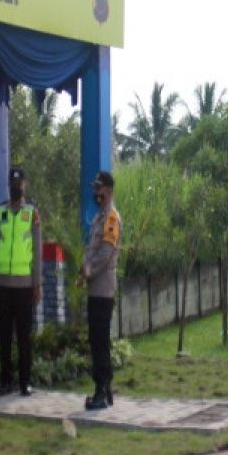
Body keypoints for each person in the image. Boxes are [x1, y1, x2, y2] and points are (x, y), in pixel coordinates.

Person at [0, 167, 42, 397]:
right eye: (12, 183)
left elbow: (37, 250)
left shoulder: (32, 213)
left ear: (25, 185)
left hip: (24, 286)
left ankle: (25, 381)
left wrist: (37, 283)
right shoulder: (0, 212)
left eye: (19, 183)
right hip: (4, 286)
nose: (16, 187)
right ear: (8, 185)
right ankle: (6, 381)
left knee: (24, 336)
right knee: (5, 335)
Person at [80, 170, 122, 410]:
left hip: (103, 288)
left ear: (109, 190)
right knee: (96, 340)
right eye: (95, 188)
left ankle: (102, 391)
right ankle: (103, 390)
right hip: (95, 288)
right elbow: (92, 250)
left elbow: (106, 254)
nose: (96, 192)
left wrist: (89, 271)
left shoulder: (111, 219)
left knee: (100, 341)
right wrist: (83, 271)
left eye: (99, 188)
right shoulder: (99, 218)